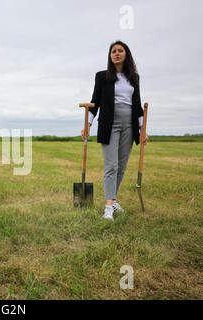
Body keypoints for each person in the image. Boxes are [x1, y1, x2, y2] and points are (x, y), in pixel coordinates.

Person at [81, 40, 148, 220]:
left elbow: (137, 104)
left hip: (130, 123)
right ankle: (108, 208)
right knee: (111, 166)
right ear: (110, 56)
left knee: (122, 167)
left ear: (126, 54)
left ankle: (113, 199)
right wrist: (87, 124)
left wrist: (142, 128)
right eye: (113, 51)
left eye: (120, 51)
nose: (116, 53)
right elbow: (95, 102)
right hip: (110, 122)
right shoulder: (102, 76)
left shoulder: (134, 77)